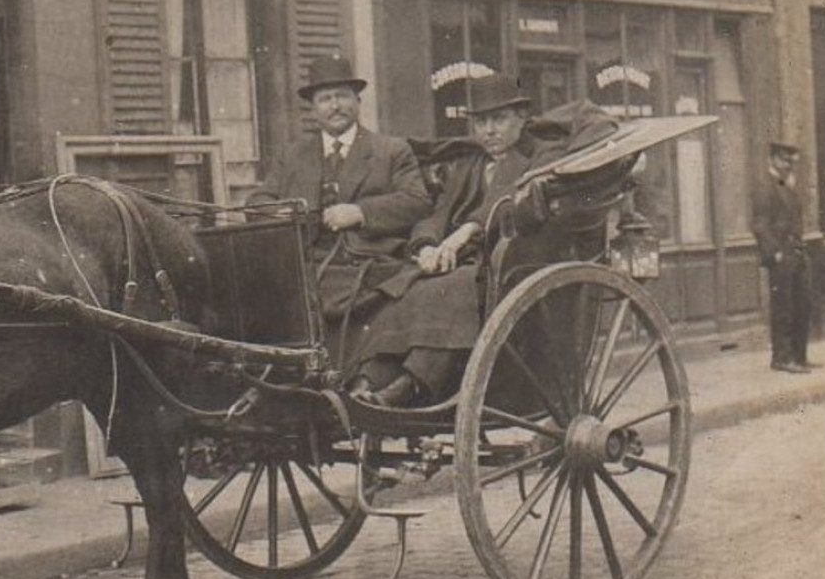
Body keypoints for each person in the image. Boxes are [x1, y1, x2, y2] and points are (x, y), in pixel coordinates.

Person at [343, 75, 619, 406]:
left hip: (512, 263)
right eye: (481, 122)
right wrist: (427, 245)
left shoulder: (544, 156)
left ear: (520, 118)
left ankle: (412, 385)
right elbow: (437, 211)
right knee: (402, 286)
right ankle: (369, 382)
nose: (488, 131)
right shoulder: (469, 163)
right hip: (459, 261)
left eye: (498, 120)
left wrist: (463, 235)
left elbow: (512, 203)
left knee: (451, 288)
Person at [247, 54, 430, 329]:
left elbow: (417, 201)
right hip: (307, 268)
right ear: (312, 109)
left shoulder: (391, 150)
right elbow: (257, 202)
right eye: (324, 99)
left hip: (369, 267)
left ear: (358, 101)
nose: (334, 106)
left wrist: (360, 212)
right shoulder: (292, 156)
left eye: (342, 96)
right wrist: (281, 213)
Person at [752, 140, 816, 373]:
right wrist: (774, 252)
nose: (787, 165)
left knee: (802, 305)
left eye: (790, 161)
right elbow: (759, 225)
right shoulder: (765, 187)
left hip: (797, 253)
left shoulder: (787, 186)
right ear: (772, 160)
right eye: (782, 160)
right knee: (783, 307)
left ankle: (799, 357)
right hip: (781, 256)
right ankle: (781, 358)